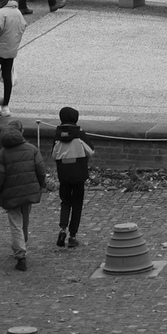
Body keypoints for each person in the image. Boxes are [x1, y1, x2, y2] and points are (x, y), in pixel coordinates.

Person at [0, 118, 48, 271]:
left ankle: (20, 253)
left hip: (10, 194)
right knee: (25, 219)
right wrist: (42, 185)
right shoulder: (32, 149)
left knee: (15, 223)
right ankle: (23, 242)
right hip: (28, 192)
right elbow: (40, 170)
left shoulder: (2, 154)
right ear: (21, 133)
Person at [50, 106, 93, 250]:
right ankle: (73, 236)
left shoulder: (57, 135)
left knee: (65, 201)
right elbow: (90, 151)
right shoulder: (79, 134)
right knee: (77, 205)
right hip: (78, 173)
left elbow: (54, 155)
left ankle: (62, 228)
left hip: (64, 174)